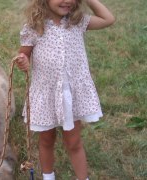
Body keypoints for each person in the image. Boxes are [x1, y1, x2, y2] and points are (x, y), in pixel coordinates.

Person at [16, 0, 115, 179]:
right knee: (46, 140)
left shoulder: (78, 21)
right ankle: (48, 176)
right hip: (46, 94)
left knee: (74, 141)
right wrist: (22, 60)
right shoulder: (34, 26)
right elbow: (24, 55)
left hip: (70, 95)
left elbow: (108, 19)